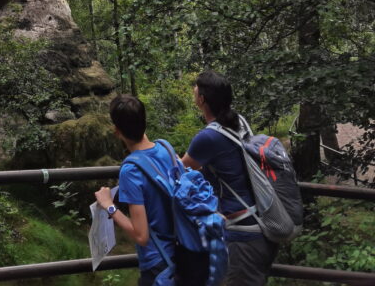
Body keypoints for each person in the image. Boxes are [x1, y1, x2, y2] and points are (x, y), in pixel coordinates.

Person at [95, 94, 208, 285]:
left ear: (117, 131)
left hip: (159, 263)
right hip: (185, 249)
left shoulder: (130, 171)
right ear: (144, 122)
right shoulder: (166, 148)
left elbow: (141, 235)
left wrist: (109, 206)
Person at [182, 71, 278, 286]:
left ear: (202, 99)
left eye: (195, 89)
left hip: (244, 235)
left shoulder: (208, 137)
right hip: (259, 224)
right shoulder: (238, 122)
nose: (193, 91)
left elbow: (178, 169)